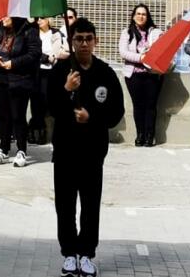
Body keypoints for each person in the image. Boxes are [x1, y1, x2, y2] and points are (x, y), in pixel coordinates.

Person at [47, 18, 125, 277]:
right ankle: (69, 253)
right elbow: (50, 107)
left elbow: (116, 113)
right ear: (71, 42)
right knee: (65, 205)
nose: (83, 43)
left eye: (87, 39)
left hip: (93, 151)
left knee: (91, 205)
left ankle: (87, 253)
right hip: (66, 150)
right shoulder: (61, 70)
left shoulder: (105, 73)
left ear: (95, 41)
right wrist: (66, 89)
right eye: (78, 39)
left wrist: (92, 117)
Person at [0, 16, 40, 167]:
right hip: (0, 78)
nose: (3, 18)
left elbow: (34, 54)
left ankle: (21, 150)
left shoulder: (29, 30)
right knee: (3, 116)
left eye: (6, 15)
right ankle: (3, 150)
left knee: (18, 115)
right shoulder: (0, 30)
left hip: (20, 80)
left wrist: (14, 63)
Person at [120, 4, 163, 147]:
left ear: (148, 16)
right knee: (138, 106)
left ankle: (150, 136)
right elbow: (124, 53)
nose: (141, 16)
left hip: (152, 75)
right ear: (133, 16)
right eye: (138, 13)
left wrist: (152, 53)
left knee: (151, 106)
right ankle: (140, 134)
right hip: (133, 75)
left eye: (144, 14)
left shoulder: (156, 32)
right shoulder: (126, 33)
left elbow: (162, 50)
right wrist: (141, 58)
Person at [30, 16, 68, 145]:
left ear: (48, 20)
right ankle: (36, 131)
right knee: (36, 101)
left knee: (47, 100)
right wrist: (44, 57)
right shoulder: (33, 33)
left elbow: (57, 52)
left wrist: (49, 56)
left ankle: (46, 131)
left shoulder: (56, 33)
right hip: (35, 71)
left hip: (50, 71)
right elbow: (32, 51)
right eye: (37, 18)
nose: (39, 20)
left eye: (42, 18)